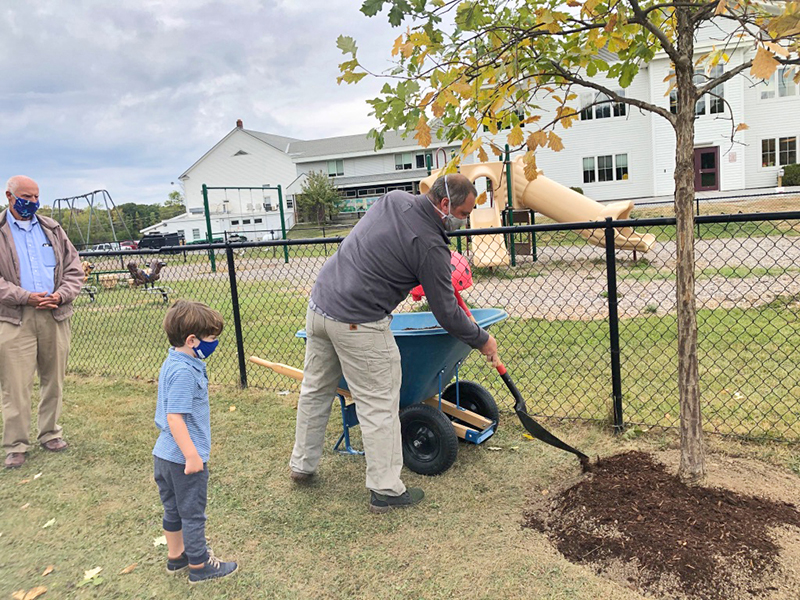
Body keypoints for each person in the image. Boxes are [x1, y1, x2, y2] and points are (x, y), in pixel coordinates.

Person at [290, 173, 500, 513]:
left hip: (320, 305)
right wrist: (482, 340)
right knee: (379, 405)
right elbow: (446, 313)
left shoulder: (394, 199)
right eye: (463, 213)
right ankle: (386, 491)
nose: (465, 220)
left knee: (315, 390)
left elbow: (384, 247)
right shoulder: (432, 246)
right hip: (358, 320)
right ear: (445, 204)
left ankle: (302, 465)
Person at [0, 175, 83, 469]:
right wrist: (25, 297)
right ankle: (16, 445)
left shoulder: (52, 228)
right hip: (14, 318)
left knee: (54, 380)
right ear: (9, 196)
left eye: (37, 197)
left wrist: (61, 295)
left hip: (54, 314)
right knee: (15, 385)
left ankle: (50, 433)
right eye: (26, 197)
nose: (33, 202)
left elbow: (75, 269)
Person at [153, 300, 237, 583]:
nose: (214, 343)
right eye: (211, 338)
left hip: (163, 455)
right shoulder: (184, 372)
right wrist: (191, 456)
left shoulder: (174, 360)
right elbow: (175, 417)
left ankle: (177, 557)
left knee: (173, 509)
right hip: (181, 459)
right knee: (192, 513)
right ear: (192, 340)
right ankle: (200, 566)